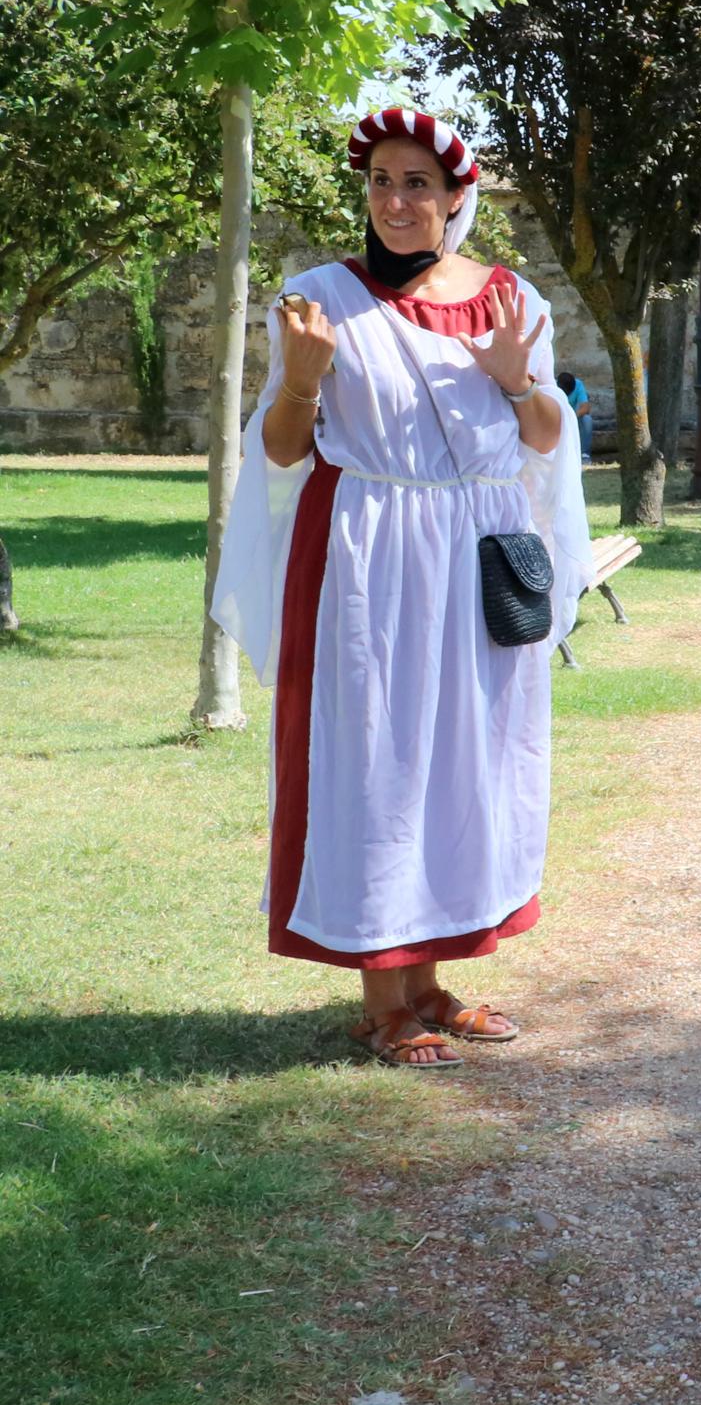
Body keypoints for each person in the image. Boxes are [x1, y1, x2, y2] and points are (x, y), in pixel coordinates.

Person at [210, 107, 591, 1069]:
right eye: (381, 180)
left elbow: (547, 437)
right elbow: (284, 450)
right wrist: (301, 380)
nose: (395, 200)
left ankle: (435, 980)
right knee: (376, 760)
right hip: (368, 555)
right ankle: (388, 1001)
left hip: (478, 555)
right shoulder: (316, 297)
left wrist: (517, 379)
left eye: (417, 183)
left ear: (459, 197)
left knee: (472, 758)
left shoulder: (512, 296)